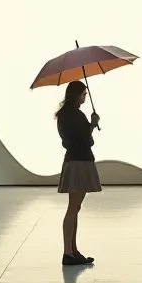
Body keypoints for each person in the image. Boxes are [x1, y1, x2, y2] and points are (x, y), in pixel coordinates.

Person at [55, 81, 101, 266]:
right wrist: (92, 125)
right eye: (83, 93)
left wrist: (89, 126)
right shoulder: (74, 115)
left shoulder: (64, 115)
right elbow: (85, 140)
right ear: (76, 94)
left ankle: (73, 250)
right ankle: (69, 252)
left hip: (73, 161)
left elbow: (69, 141)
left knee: (75, 208)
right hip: (79, 162)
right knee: (73, 208)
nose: (85, 96)